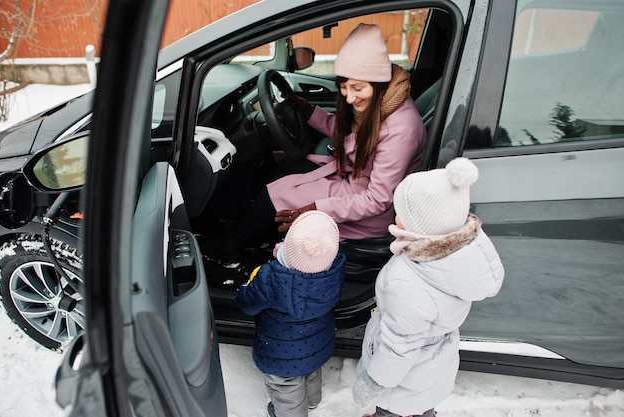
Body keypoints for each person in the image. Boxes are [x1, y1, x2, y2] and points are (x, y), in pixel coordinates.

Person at [202, 23, 426, 266]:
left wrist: (314, 208)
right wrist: (310, 112)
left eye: (357, 89)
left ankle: (231, 244)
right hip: (353, 178)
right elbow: (349, 137)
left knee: (279, 190)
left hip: (369, 210)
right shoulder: (378, 104)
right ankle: (255, 226)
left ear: (379, 82)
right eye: (344, 88)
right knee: (290, 163)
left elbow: (377, 200)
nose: (350, 98)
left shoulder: (400, 129)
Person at [351, 157, 505, 417]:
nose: (396, 216)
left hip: (403, 381)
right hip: (435, 366)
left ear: (420, 228)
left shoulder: (406, 282)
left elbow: (400, 347)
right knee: (423, 406)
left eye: (401, 213)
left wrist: (373, 382)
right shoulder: (460, 254)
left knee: (393, 410)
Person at [236, 210, 346, 417]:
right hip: (317, 344)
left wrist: (246, 288)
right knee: (312, 371)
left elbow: (248, 304)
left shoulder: (269, 277)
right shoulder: (334, 274)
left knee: (286, 389)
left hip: (280, 353)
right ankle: (313, 401)